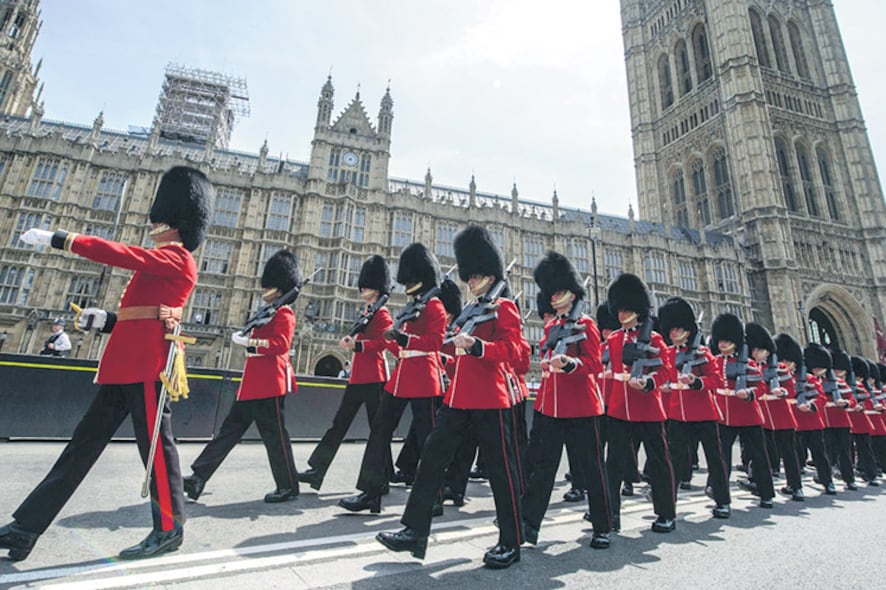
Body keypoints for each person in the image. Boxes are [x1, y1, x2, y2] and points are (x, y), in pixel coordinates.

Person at [0, 166, 212, 561]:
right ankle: (27, 528)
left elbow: (122, 255)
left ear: (176, 223)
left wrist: (63, 239)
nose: (153, 224)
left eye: (160, 219)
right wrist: (107, 320)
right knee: (80, 448)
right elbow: (143, 312)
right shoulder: (164, 258)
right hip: (125, 364)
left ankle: (169, 529)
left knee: (157, 450)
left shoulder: (178, 258)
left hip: (149, 366)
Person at [376, 225, 524, 568]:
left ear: (490, 275)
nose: (470, 282)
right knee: (430, 459)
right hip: (457, 398)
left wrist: (478, 347)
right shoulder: (471, 310)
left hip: (491, 398)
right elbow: (444, 342)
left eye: (476, 276)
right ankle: (414, 530)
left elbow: (514, 351)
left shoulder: (505, 308)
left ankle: (511, 540)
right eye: (468, 276)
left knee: (501, 471)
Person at [182, 250, 302, 503]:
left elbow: (280, 345)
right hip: (253, 384)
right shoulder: (269, 311)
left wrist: (250, 342)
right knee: (228, 433)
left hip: (270, 383)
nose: (264, 290)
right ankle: (198, 478)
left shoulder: (284, 313)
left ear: (279, 288)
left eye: (269, 286)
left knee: (276, 438)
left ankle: (289, 486)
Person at [339, 242, 446, 515]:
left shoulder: (434, 306)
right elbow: (402, 344)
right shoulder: (412, 307)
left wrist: (404, 338)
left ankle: (435, 495)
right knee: (379, 432)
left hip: (424, 376)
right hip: (401, 377)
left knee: (427, 440)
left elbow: (436, 342)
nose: (408, 284)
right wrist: (396, 339)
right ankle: (371, 493)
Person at [521, 251, 612, 549]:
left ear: (572, 293)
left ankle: (602, 525)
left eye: (560, 292)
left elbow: (595, 364)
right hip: (552, 407)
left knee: (591, 467)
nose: (556, 297)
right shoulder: (549, 327)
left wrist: (572, 365)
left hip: (581, 407)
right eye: (553, 293)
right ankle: (529, 524)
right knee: (544, 469)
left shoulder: (586, 325)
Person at [299, 255, 394, 491]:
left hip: (375, 378)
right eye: (363, 285)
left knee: (378, 430)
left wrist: (358, 345)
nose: (363, 289)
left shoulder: (382, 314)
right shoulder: (366, 312)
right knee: (338, 426)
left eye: (368, 285)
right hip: (358, 377)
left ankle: (383, 475)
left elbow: (383, 343)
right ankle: (317, 470)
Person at [605, 273, 676, 533]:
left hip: (647, 408)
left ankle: (666, 513)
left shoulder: (655, 340)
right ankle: (610, 515)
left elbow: (666, 371)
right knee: (613, 465)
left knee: (659, 463)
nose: (622, 314)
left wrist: (648, 383)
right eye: (620, 309)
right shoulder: (613, 340)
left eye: (627, 309)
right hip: (619, 407)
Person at [659, 297, 731, 519]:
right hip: (677, 414)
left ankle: (722, 500)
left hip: (703, 413)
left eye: (677, 329)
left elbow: (717, 380)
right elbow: (666, 379)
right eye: (670, 329)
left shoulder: (701, 353)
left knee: (714, 458)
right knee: (673, 460)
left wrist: (697, 382)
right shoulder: (669, 354)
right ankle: (667, 502)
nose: (673, 333)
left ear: (688, 330)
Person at [710, 313, 775, 509]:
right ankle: (721, 497)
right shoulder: (715, 362)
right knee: (722, 459)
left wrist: (748, 394)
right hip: (724, 415)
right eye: (720, 340)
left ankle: (766, 493)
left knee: (759, 456)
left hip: (748, 414)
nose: (722, 344)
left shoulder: (748, 364)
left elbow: (761, 387)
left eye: (727, 340)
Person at [748, 323, 803, 502]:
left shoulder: (780, 368)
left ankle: (796, 486)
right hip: (762, 415)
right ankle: (761, 483)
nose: (756, 353)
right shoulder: (751, 367)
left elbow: (791, 389)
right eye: (754, 350)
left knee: (788, 453)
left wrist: (783, 393)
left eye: (760, 350)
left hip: (781, 415)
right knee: (761, 453)